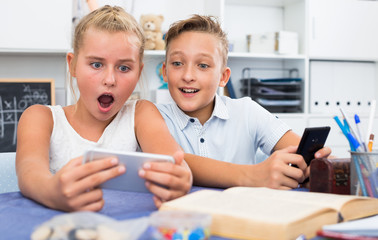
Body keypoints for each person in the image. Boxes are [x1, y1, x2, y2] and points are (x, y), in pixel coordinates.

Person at [15, 5, 192, 212]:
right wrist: (50, 191)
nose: (110, 80)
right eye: (97, 65)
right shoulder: (39, 117)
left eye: (124, 68)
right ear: (72, 65)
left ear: (139, 72)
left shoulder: (141, 114)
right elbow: (29, 171)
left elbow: (174, 162)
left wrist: (181, 177)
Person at [157, 15, 331, 190]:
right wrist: (254, 174)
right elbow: (173, 160)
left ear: (223, 77)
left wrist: (315, 165)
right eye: (177, 63)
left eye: (202, 65)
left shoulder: (246, 111)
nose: (188, 76)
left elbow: (298, 150)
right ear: (165, 71)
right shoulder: (153, 117)